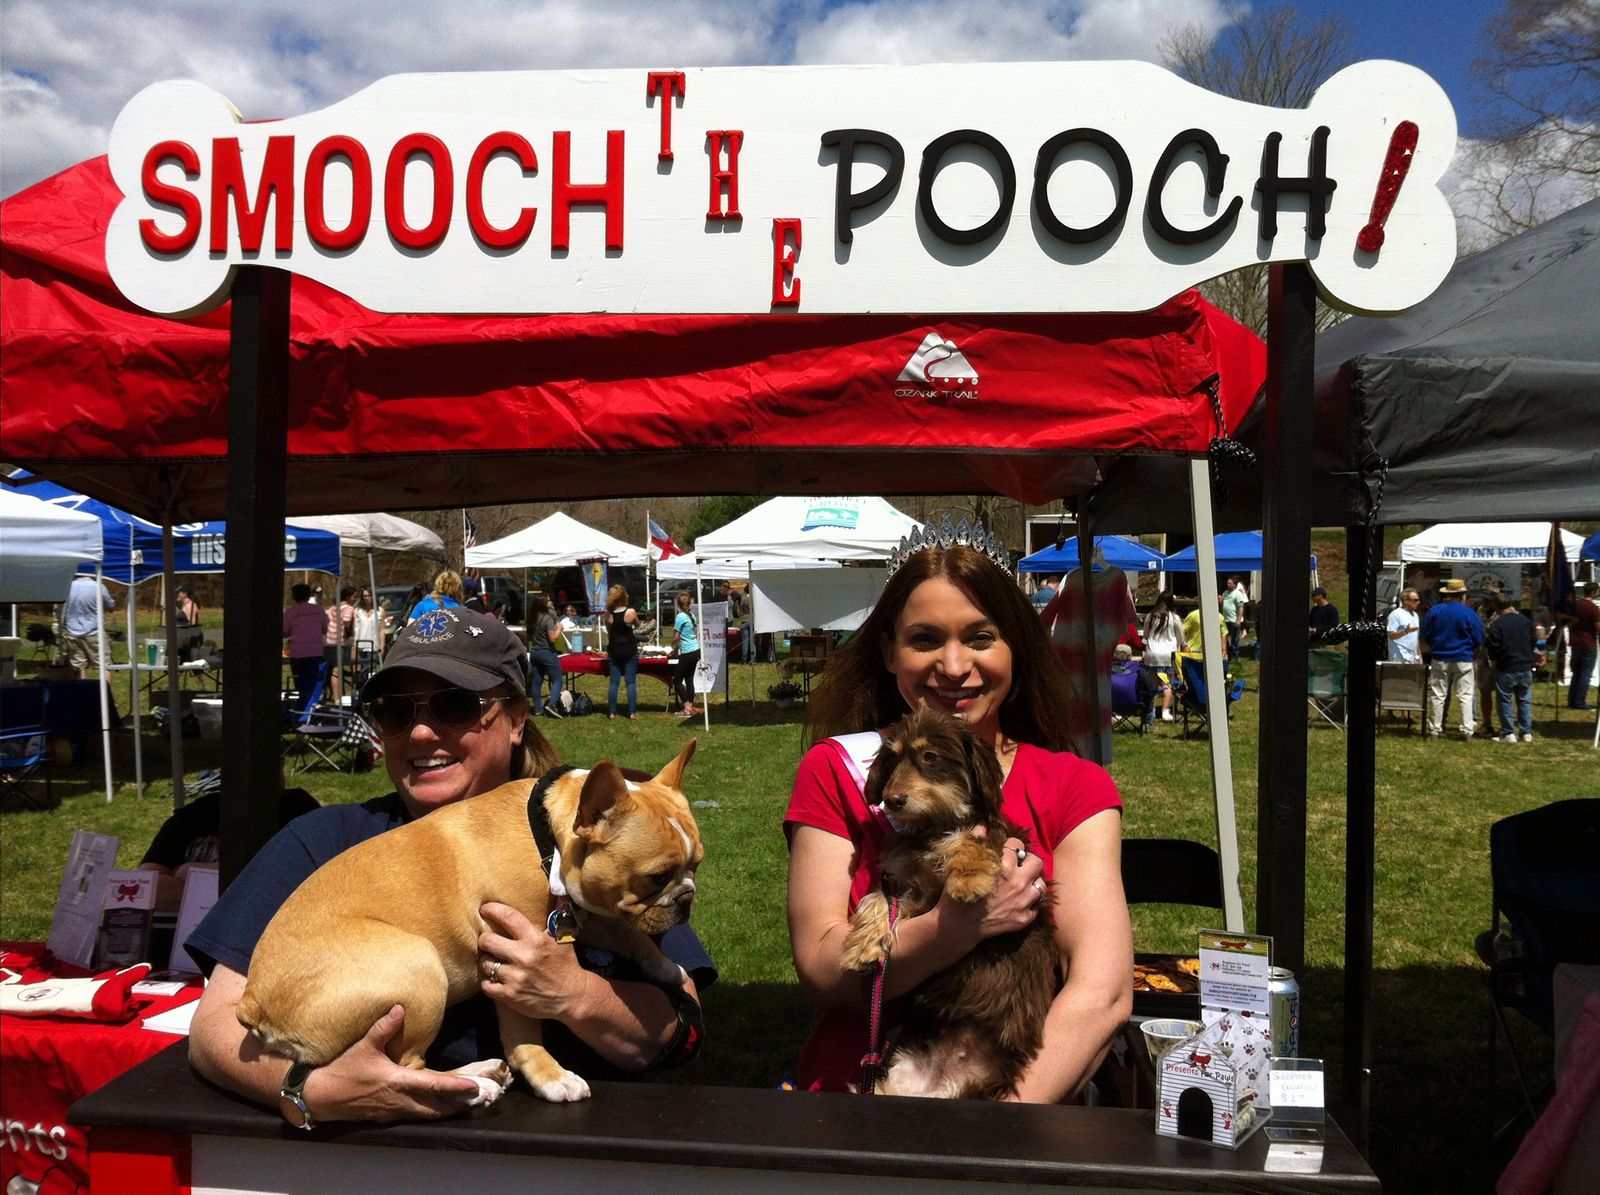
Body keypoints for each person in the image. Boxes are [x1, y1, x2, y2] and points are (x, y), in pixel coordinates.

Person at [185, 607, 714, 1127]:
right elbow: (216, 1031)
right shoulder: (320, 842)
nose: (420, 733)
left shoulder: (617, 839)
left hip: (585, 1144)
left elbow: (682, 1029)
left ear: (517, 719)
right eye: (395, 711)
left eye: (455, 705)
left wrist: (575, 994)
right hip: (368, 1149)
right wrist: (311, 1090)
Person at [785, 538, 1131, 1101]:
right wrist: (952, 930)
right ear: (889, 651)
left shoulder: (1075, 787)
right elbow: (825, 975)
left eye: (980, 637)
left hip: (1009, 1095)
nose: (953, 666)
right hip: (856, 1099)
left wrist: (993, 1125)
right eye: (925, 639)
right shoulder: (837, 770)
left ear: (1015, 648)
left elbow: (1102, 994)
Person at [140, 771, 320, 911]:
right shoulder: (196, 813)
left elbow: (290, 885)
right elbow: (144, 889)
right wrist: (235, 888)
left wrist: (188, 874)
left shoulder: (298, 808)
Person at [1421, 578, 1485, 738]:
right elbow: (1478, 637)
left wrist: (1435, 645)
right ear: (1463, 594)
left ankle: (1435, 728)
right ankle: (1466, 729)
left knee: (1438, 695)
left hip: (1440, 657)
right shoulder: (1469, 613)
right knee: (1465, 696)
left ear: (1447, 594)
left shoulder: (1435, 611)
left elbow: (1426, 634)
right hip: (1463, 658)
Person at [1485, 593, 1537, 743]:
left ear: (1496, 607)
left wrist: (1494, 661)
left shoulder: (1497, 624)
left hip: (1506, 666)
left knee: (1504, 700)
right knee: (1524, 699)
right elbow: (1534, 641)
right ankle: (1526, 732)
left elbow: (1493, 646)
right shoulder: (1526, 621)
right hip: (1525, 665)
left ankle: (1508, 732)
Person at [61, 573, 115, 676]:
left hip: (72, 631)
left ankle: (81, 686)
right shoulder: (98, 586)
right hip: (94, 632)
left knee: (78, 666)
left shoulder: (67, 587)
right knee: (104, 665)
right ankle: (106, 686)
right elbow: (110, 605)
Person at [1140, 591, 1181, 723]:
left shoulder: (1150, 616)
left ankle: (1150, 713)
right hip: (1168, 655)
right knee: (1166, 684)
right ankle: (1165, 711)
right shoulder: (1174, 618)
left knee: (1152, 685)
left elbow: (1145, 635)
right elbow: (1180, 637)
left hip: (1152, 654)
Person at [282, 584, 327, 704]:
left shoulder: (290, 612)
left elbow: (285, 631)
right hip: (315, 651)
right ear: (308, 595)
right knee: (313, 682)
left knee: (301, 683)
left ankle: (303, 705)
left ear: (293, 596)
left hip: (298, 653)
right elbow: (325, 627)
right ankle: (311, 704)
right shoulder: (319, 610)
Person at [605, 584, 640, 721]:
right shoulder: (630, 612)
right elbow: (637, 625)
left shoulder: (608, 615)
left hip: (614, 649)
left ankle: (612, 712)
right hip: (629, 650)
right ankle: (632, 713)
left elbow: (609, 633)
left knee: (614, 682)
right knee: (630, 682)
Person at [526, 595, 565, 717]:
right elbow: (552, 639)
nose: (551, 602)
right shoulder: (547, 619)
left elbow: (529, 637)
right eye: (548, 600)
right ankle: (552, 705)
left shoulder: (532, 618)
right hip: (546, 652)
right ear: (543, 604)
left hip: (534, 652)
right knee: (557, 679)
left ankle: (538, 709)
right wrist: (559, 629)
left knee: (537, 682)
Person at [1566, 581, 1599, 710]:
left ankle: (1572, 699)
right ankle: (1580, 702)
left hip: (1575, 642)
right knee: (1585, 674)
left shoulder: (1575, 605)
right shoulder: (1593, 608)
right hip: (1588, 643)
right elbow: (1598, 626)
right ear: (1593, 592)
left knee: (1576, 673)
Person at [323, 585, 358, 703]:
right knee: (338, 670)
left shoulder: (332, 608)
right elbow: (347, 621)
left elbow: (325, 617)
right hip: (340, 642)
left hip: (329, 642)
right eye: (354, 597)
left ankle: (336, 697)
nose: (355, 599)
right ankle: (338, 699)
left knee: (334, 669)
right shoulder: (349, 608)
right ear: (348, 597)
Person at [672, 591, 701, 719]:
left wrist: (672, 647)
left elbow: (676, 637)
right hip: (696, 649)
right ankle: (690, 706)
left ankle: (687, 707)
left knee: (677, 681)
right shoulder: (692, 615)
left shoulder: (680, 617)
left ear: (678, 604)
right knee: (689, 679)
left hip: (688, 651)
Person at [352, 587, 388, 672]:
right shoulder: (357, 611)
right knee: (363, 669)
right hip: (360, 645)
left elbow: (382, 629)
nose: (367, 598)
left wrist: (382, 645)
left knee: (372, 669)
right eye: (365, 596)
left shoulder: (380, 611)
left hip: (374, 645)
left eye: (369, 596)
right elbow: (354, 629)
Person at [1386, 588, 1421, 662]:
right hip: (1398, 658)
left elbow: (1416, 638)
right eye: (1415, 600)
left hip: (1412, 658)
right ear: (1406, 601)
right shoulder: (1395, 615)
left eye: (1418, 600)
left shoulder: (1415, 615)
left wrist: (1419, 656)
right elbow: (1391, 635)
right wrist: (1405, 632)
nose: (1418, 602)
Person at [1221, 577, 1248, 659]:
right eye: (1227, 583)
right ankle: (1227, 655)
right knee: (1225, 638)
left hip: (1234, 621)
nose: (1228, 585)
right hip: (1226, 620)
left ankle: (1234, 658)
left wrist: (1238, 620)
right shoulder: (1225, 593)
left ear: (1234, 585)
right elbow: (1221, 602)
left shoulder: (1238, 594)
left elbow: (1241, 607)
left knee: (1235, 640)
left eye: (1230, 583)